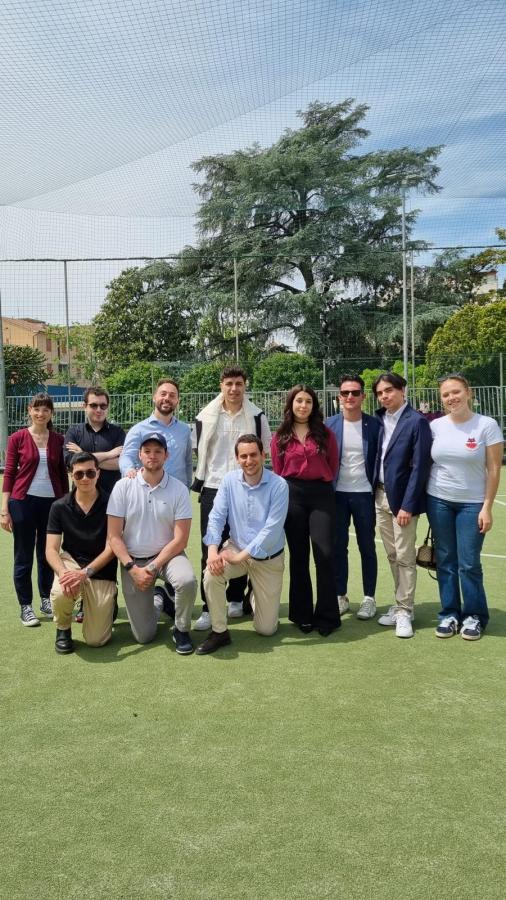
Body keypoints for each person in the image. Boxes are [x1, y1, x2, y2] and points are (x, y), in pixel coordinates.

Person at [191, 365, 271, 630]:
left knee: (240, 542)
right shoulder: (205, 416)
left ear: (245, 384)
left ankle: (236, 598)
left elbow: (265, 449)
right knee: (210, 546)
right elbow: (198, 448)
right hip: (213, 488)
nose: (234, 389)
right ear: (221, 386)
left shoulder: (257, 415)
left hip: (245, 487)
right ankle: (208, 607)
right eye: (229, 384)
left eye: (238, 383)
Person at [426, 374, 503, 641]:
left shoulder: (486, 425)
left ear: (468, 392)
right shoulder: (435, 426)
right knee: (446, 560)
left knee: (469, 563)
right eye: (446, 395)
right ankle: (449, 613)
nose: (451, 398)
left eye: (456, 392)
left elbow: (494, 468)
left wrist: (487, 507)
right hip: (438, 501)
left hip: (472, 504)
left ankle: (475, 616)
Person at [197, 434, 289, 655]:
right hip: (236, 547)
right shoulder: (229, 481)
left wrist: (238, 557)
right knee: (211, 574)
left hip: (268, 558)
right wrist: (212, 551)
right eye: (244, 456)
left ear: (263, 455)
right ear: (237, 459)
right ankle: (220, 632)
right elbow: (217, 517)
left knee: (266, 629)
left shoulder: (279, 485)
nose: (249, 461)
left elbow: (271, 530)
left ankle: (254, 595)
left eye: (254, 455)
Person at [107, 433, 197, 655]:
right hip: (133, 563)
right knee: (143, 636)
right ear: (139, 455)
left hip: (168, 557)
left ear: (166, 455)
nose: (152, 455)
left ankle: (182, 629)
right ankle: (160, 599)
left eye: (158, 451)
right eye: (147, 451)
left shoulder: (178, 489)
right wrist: (132, 568)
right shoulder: (122, 487)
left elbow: (181, 539)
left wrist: (154, 566)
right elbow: (114, 536)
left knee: (186, 580)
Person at [271, 385, 340, 637]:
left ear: (314, 406)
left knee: (325, 554)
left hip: (321, 495)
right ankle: (302, 615)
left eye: (308, 401)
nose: (303, 406)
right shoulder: (280, 436)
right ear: (291, 405)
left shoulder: (325, 434)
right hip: (292, 495)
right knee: (299, 556)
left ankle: (327, 616)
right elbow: (278, 472)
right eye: (298, 401)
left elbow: (333, 463)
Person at [372, 373, 432, 638]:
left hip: (403, 502)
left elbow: (420, 467)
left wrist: (407, 505)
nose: (384, 396)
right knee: (393, 555)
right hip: (379, 497)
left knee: (406, 556)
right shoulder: (378, 419)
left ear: (402, 390)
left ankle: (405, 610)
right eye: (380, 392)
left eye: (389, 390)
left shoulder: (417, 421)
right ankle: (400, 605)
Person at [1, 392, 68, 627]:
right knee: (23, 555)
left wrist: (66, 503)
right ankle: (25, 606)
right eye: (37, 409)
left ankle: (45, 599)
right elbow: (9, 474)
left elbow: (62, 473)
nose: (41, 413)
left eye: (46, 409)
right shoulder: (17, 438)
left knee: (47, 554)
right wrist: (4, 510)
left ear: (51, 413)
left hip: (52, 504)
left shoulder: (58, 440)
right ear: (29, 410)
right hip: (22, 502)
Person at [64, 386, 125, 623]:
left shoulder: (118, 432)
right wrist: (108, 454)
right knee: (82, 550)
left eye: (102, 405)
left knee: (112, 549)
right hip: (82, 503)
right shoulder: (74, 432)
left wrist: (86, 456)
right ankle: (82, 600)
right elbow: (72, 463)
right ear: (84, 406)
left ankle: (111, 597)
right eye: (93, 405)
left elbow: (122, 464)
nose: (98, 409)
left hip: (113, 504)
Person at [46, 452, 118, 654]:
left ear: (98, 474)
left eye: (90, 473)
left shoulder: (112, 503)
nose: (85, 478)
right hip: (71, 561)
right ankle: (63, 629)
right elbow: (51, 550)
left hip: (101, 567)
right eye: (79, 474)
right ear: (70, 475)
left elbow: (112, 547)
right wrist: (63, 573)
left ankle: (108, 599)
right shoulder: (58, 507)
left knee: (97, 640)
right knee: (62, 590)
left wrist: (85, 573)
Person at [325, 374, 381, 619]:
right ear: (339, 397)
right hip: (337, 496)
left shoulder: (375, 425)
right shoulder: (329, 425)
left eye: (355, 393)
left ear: (363, 396)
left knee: (367, 546)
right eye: (345, 393)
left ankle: (369, 598)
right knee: (339, 547)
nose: (350, 397)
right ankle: (340, 595)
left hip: (364, 495)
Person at [119, 378, 192, 488]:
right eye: (163, 394)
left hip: (177, 494)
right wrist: (129, 470)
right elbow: (126, 456)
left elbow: (188, 462)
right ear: (154, 397)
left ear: (177, 401)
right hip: (148, 492)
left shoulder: (184, 430)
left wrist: (187, 487)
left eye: (172, 395)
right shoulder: (138, 429)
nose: (167, 398)